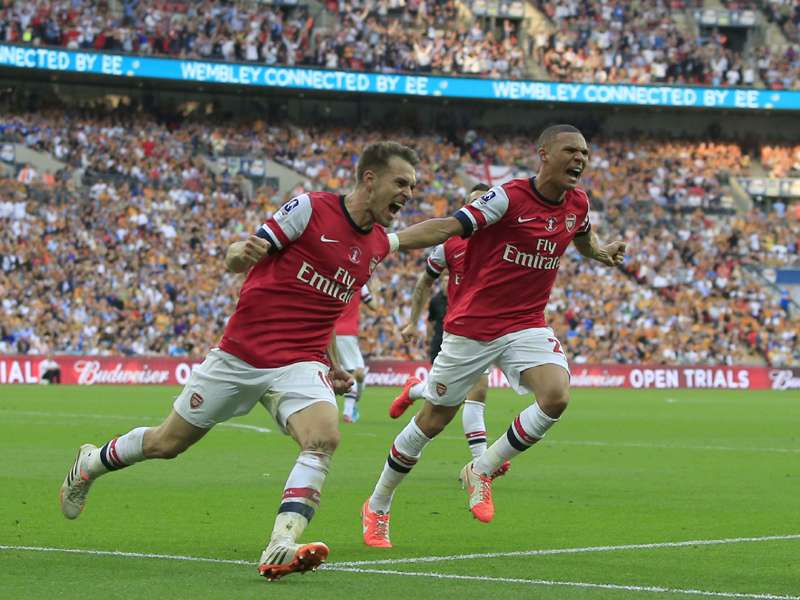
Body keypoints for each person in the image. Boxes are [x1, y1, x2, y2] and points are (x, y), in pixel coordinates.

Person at [59, 141, 420, 579]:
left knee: (323, 437)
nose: (408, 193)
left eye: (413, 187)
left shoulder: (377, 244)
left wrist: (331, 363)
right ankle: (91, 462)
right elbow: (242, 253)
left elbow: (323, 306)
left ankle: (281, 543)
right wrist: (236, 253)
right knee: (167, 444)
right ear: (370, 178)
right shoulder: (309, 209)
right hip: (241, 354)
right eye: (401, 183)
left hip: (299, 362)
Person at [361, 125, 626, 548]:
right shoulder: (507, 197)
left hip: (526, 323)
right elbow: (450, 226)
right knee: (433, 421)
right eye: (570, 150)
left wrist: (601, 252)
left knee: (556, 396)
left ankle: (481, 469)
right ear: (543, 153)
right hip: (473, 328)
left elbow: (582, 237)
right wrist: (388, 242)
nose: (580, 159)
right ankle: (378, 504)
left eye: (585, 153)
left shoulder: (578, 203)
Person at [389, 183, 510, 478]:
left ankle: (415, 389)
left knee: (456, 393)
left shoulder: (505, 242)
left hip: (493, 326)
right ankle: (481, 464)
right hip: (459, 328)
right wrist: (413, 321)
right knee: (468, 394)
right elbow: (424, 281)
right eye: (473, 204)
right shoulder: (450, 244)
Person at [335, 283, 379, 423]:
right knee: (358, 372)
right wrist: (376, 291)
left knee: (353, 373)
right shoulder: (360, 281)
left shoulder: (334, 276)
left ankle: (351, 406)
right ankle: (349, 411)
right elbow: (374, 306)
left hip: (330, 331)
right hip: (346, 333)